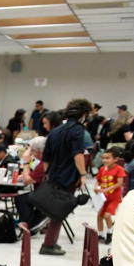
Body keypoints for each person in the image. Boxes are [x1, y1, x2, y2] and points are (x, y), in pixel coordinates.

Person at [38, 98, 92, 256]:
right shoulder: (78, 130)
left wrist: (48, 174)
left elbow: (46, 157)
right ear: (83, 114)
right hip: (68, 176)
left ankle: (49, 242)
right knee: (60, 210)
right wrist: (83, 175)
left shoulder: (55, 131)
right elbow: (77, 155)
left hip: (54, 175)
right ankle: (48, 244)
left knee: (55, 209)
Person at [95, 146, 127, 243]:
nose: (105, 160)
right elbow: (98, 180)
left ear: (116, 159)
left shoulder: (119, 169)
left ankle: (110, 233)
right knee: (99, 216)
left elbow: (119, 183)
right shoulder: (102, 169)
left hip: (114, 198)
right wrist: (96, 187)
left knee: (107, 216)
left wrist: (108, 189)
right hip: (103, 198)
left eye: (108, 158)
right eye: (104, 158)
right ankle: (100, 235)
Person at [15, 136, 48, 229]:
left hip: (45, 196)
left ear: (37, 151)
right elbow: (30, 176)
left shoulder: (43, 164)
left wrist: (26, 162)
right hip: (47, 192)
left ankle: (30, 225)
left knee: (20, 199)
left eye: (32, 151)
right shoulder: (45, 160)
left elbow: (26, 181)